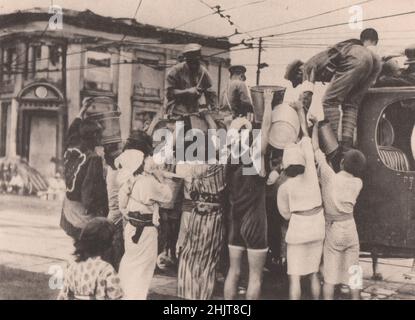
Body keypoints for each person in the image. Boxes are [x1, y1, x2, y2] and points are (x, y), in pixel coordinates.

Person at [284, 28, 382, 151]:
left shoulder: (307, 67)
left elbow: (306, 97)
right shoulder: (317, 61)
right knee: (351, 103)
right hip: (373, 61)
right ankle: (346, 144)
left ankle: (333, 145)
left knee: (329, 101)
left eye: (297, 80)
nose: (299, 83)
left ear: (298, 72)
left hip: (356, 58)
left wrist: (299, 114)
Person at [223, 89, 274, 300]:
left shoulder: (230, 161)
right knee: (255, 277)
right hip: (254, 223)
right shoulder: (254, 158)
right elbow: (267, 127)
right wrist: (269, 103)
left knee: (233, 272)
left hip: (235, 220)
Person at [310, 116, 366, 300]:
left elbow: (316, 150)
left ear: (342, 163)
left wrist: (316, 126)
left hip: (333, 229)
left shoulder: (329, 178)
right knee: (354, 276)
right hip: (351, 228)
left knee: (330, 278)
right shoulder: (358, 183)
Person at [277, 102, 325, 300]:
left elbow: (285, 215)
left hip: (298, 230)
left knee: (295, 277)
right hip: (317, 227)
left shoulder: (284, 187)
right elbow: (307, 140)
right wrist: (301, 112)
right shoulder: (312, 173)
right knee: (314, 273)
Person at [117, 149, 172, 300]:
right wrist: (161, 178)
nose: (150, 160)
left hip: (131, 227)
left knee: (130, 261)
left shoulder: (129, 180)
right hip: (146, 229)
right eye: (147, 158)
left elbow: (122, 205)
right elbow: (168, 196)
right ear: (142, 163)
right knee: (144, 267)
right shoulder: (149, 182)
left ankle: (123, 294)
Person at [176, 162, 227, 300]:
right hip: (214, 214)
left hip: (197, 213)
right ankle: (201, 295)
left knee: (190, 254)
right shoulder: (222, 166)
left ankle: (189, 294)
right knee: (208, 259)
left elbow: (193, 193)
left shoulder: (197, 167)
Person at [60, 103, 108, 239]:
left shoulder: (71, 147)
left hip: (68, 207)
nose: (101, 138)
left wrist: (82, 110)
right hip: (82, 212)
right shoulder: (93, 158)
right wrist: (101, 211)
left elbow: (71, 131)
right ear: (93, 136)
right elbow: (89, 191)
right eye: (99, 134)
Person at [57, 217, 123, 300]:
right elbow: (117, 296)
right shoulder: (106, 270)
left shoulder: (73, 267)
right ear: (107, 246)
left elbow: (63, 296)